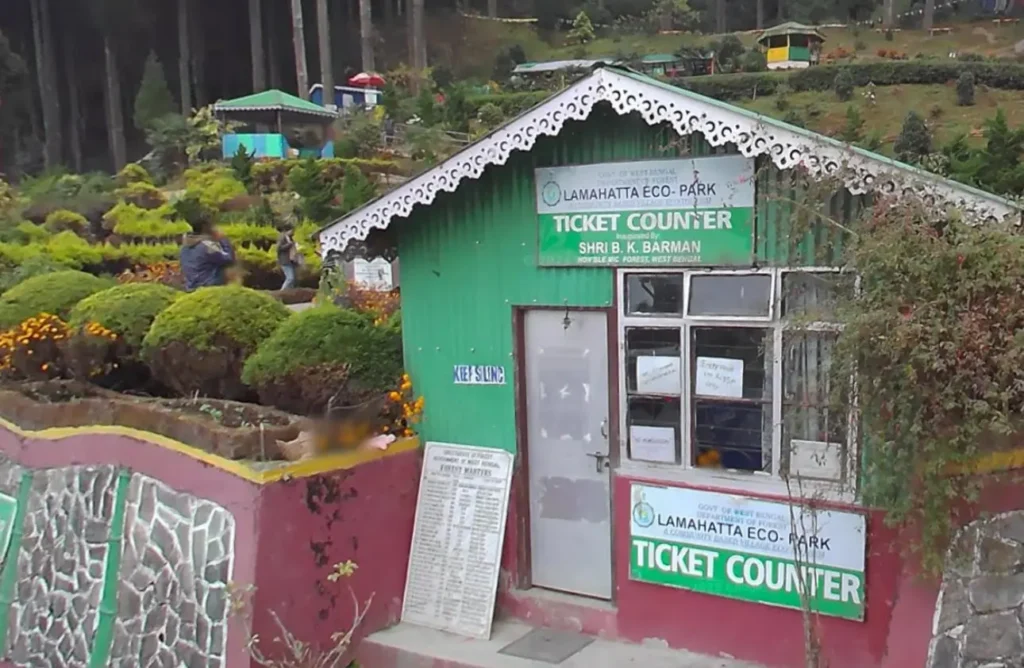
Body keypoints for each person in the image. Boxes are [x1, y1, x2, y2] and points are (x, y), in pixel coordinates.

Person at [180, 213, 235, 292]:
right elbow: (229, 259)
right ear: (205, 227)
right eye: (211, 225)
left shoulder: (184, 246)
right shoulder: (208, 246)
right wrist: (223, 239)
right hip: (210, 290)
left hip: (191, 290)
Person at [277, 226, 302, 290]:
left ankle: (289, 293)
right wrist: (289, 244)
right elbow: (279, 248)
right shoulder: (282, 238)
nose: (292, 232)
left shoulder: (290, 239)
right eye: (291, 231)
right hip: (285, 261)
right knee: (290, 278)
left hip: (291, 261)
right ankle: (282, 292)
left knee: (294, 280)